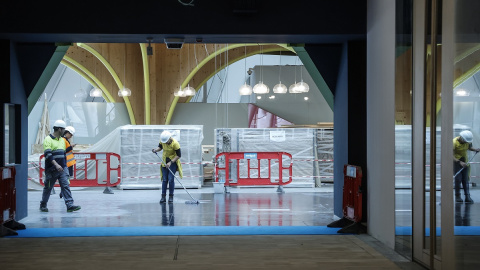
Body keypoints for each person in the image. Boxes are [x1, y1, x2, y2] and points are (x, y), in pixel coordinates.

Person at [40, 120, 81, 212]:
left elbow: (63, 153)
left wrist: (64, 166)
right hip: (51, 170)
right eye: (63, 129)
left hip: (63, 169)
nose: (64, 131)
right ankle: (43, 204)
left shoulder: (62, 140)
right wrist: (56, 165)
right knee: (48, 188)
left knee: (65, 186)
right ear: (59, 129)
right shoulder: (48, 139)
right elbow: (48, 154)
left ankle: (70, 205)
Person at [152, 130, 183, 204]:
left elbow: (179, 155)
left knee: (171, 179)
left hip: (172, 161)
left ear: (170, 138)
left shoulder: (175, 144)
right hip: (164, 161)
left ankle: (171, 197)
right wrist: (155, 150)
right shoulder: (162, 141)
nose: (165, 143)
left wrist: (171, 162)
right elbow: (160, 147)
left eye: (166, 141)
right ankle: (163, 197)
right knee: (165, 179)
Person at [453, 130, 479, 204]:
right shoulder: (454, 142)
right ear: (462, 138)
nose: (466, 142)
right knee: (458, 179)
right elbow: (450, 154)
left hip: (465, 162)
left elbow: (469, 147)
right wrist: (459, 162)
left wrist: (475, 149)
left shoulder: (467, 141)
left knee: (465, 180)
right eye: (465, 140)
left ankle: (467, 196)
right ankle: (457, 196)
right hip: (456, 162)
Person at [59, 126, 76, 199]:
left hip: (69, 163)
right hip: (67, 163)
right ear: (67, 133)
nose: (71, 136)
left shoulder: (66, 140)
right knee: (66, 179)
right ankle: (63, 191)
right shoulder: (63, 140)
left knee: (67, 179)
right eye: (71, 135)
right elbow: (64, 150)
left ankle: (63, 191)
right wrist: (71, 147)